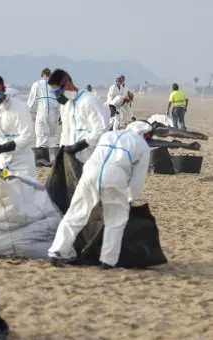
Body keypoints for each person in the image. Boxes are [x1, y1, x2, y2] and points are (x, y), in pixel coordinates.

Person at [48, 120, 153, 269]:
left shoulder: (109, 135)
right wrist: (131, 198)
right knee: (115, 220)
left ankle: (57, 251)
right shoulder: (143, 147)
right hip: (115, 177)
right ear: (146, 134)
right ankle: (108, 260)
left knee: (76, 213)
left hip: (90, 173)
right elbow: (138, 177)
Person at [0, 74, 37, 180]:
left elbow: (28, 136)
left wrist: (4, 147)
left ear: (4, 90)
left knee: (22, 192)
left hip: (20, 161)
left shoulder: (19, 108)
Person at [48, 69, 107, 164]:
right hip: (73, 160)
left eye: (58, 92)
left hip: (90, 159)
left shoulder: (88, 101)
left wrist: (83, 144)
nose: (58, 97)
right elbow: (65, 131)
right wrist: (61, 155)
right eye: (54, 93)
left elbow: (101, 129)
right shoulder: (66, 103)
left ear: (67, 84)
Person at [27, 68, 59, 162]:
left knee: (41, 134)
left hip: (42, 110)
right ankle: (54, 159)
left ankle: (42, 159)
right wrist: (63, 114)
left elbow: (31, 99)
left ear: (42, 75)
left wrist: (28, 112)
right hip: (53, 111)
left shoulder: (36, 84)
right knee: (53, 135)